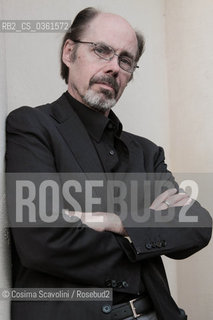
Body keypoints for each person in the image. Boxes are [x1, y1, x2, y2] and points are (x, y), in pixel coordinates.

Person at [6, 7, 212, 320]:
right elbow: (42, 241)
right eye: (102, 50)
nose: (114, 67)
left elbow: (197, 225)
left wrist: (119, 222)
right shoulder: (32, 125)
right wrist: (147, 234)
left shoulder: (146, 152)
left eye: (125, 60)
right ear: (70, 52)